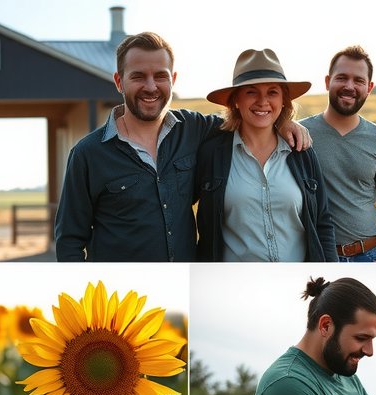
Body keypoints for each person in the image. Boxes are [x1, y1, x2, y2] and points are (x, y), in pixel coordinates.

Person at [55, 32, 310, 262]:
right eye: (138, 76)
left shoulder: (194, 128)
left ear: (173, 80)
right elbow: (69, 241)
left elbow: (249, 120)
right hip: (122, 295)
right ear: (119, 82)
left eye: (160, 76)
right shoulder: (88, 154)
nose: (151, 87)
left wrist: (283, 123)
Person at [194, 48, 337, 262]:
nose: (263, 101)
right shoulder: (212, 155)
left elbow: (322, 222)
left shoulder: (301, 152)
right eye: (251, 92)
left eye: (272, 92)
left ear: (283, 101)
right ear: (236, 100)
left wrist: (329, 275)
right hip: (237, 283)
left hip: (299, 283)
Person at [301, 46, 376, 263]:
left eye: (358, 80)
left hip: (372, 254)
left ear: (369, 87)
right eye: (342, 78)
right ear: (328, 81)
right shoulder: (299, 134)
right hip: (317, 254)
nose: (349, 86)